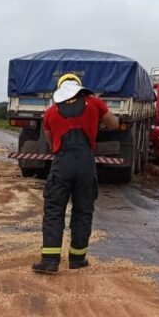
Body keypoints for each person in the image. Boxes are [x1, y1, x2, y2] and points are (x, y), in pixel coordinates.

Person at [32, 73, 119, 273]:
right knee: (83, 210)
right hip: (86, 163)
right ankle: (77, 259)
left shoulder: (51, 111)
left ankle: (50, 261)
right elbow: (113, 124)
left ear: (60, 89)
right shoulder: (94, 103)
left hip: (62, 163)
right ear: (79, 87)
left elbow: (50, 139)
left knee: (54, 211)